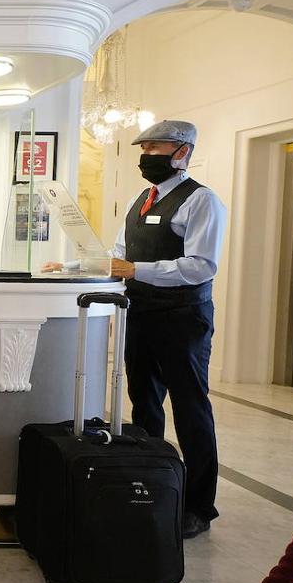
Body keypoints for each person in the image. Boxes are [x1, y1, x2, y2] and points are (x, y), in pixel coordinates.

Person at [43, 120, 225, 539]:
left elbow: (201, 266)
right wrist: (71, 265)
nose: (147, 156)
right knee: (143, 402)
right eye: (144, 148)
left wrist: (135, 269)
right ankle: (153, 483)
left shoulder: (202, 202)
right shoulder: (139, 199)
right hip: (140, 312)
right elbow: (118, 255)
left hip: (183, 318)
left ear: (182, 152)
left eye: (156, 148)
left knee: (190, 407)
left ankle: (199, 504)